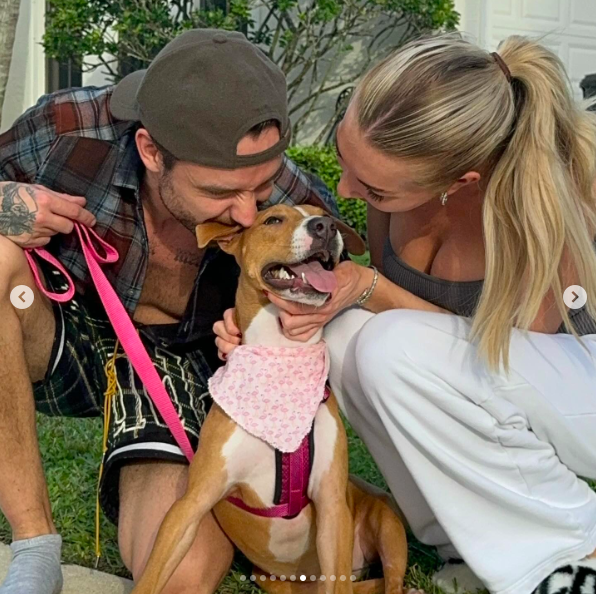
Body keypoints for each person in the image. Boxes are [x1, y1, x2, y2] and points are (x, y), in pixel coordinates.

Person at [214, 34, 596, 594]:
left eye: (371, 188)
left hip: (577, 385)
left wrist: (367, 285)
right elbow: (413, 332)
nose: (345, 190)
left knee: (390, 341)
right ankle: (458, 539)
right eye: (346, 163)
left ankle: (571, 549)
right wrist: (264, 336)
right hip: (511, 380)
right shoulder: (397, 187)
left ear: (458, 181)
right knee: (345, 331)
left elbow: (491, 358)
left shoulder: (540, 208)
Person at [0, 28, 337, 594]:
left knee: (177, 573)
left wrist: (309, 310)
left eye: (262, 185)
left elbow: (349, 273)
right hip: (76, 336)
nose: (249, 213)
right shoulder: (67, 131)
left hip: (190, 366)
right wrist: (8, 205)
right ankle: (35, 548)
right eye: (220, 191)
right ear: (152, 151)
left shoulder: (282, 192)